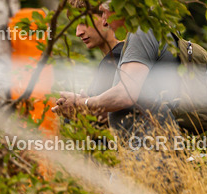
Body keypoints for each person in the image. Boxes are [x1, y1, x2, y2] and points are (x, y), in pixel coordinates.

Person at [54, 4, 179, 146]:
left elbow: (116, 103)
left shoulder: (125, 51)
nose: (78, 32)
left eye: (84, 22)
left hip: (150, 149)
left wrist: (80, 105)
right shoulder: (142, 43)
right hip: (147, 149)